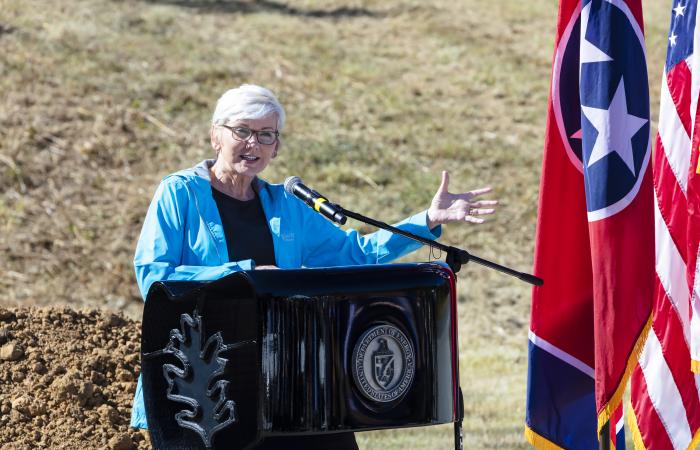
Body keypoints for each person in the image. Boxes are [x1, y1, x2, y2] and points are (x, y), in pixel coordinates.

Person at [130, 84, 498, 449]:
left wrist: (427, 219)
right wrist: (244, 276)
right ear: (216, 136)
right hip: (205, 379)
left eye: (265, 135)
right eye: (242, 131)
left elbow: (358, 254)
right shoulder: (179, 193)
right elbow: (154, 276)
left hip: (282, 375)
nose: (253, 143)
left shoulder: (285, 205)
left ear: (276, 148)